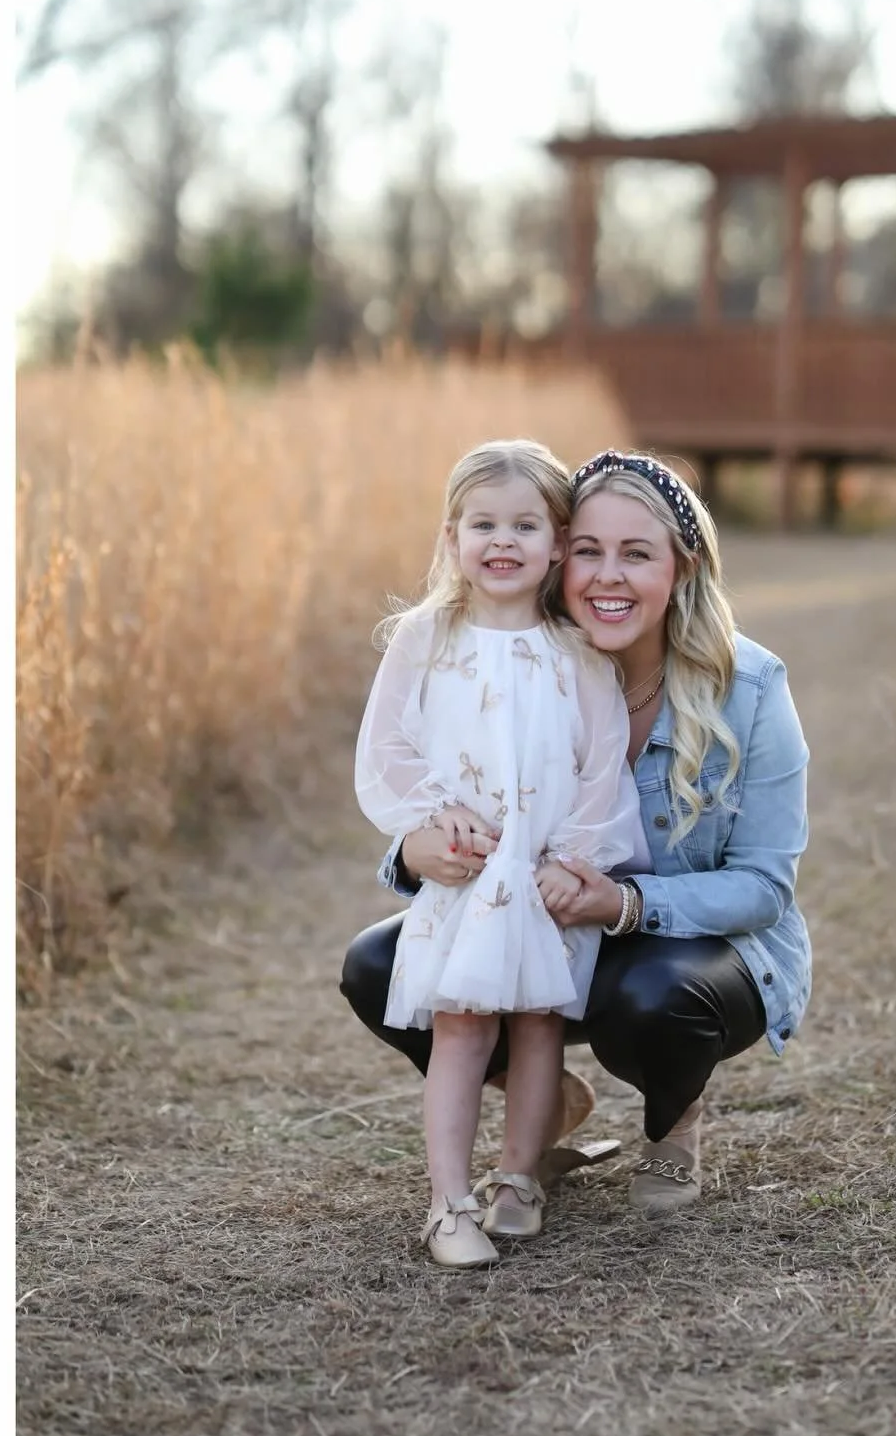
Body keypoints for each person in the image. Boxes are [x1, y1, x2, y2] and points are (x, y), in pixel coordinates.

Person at [343, 447, 811, 1219]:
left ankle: (673, 1120)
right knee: (375, 965)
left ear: (682, 568)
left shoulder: (750, 688)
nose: (606, 577)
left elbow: (764, 888)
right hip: (539, 908)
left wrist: (623, 903)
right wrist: (414, 847)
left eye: (637, 554)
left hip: (686, 944)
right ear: (559, 553)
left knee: (653, 999)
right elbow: (428, 770)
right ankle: (542, 1101)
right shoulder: (521, 660)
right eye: (588, 550)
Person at [353, 439, 639, 1268]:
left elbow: (601, 760)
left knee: (539, 1023)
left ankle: (520, 1178)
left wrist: (577, 857)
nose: (502, 540)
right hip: (466, 873)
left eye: (525, 524)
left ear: (557, 544)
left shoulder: (576, 650)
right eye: (483, 523)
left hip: (542, 876)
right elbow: (388, 748)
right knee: (462, 1027)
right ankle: (448, 1203)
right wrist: (429, 821)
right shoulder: (425, 635)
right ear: (451, 538)